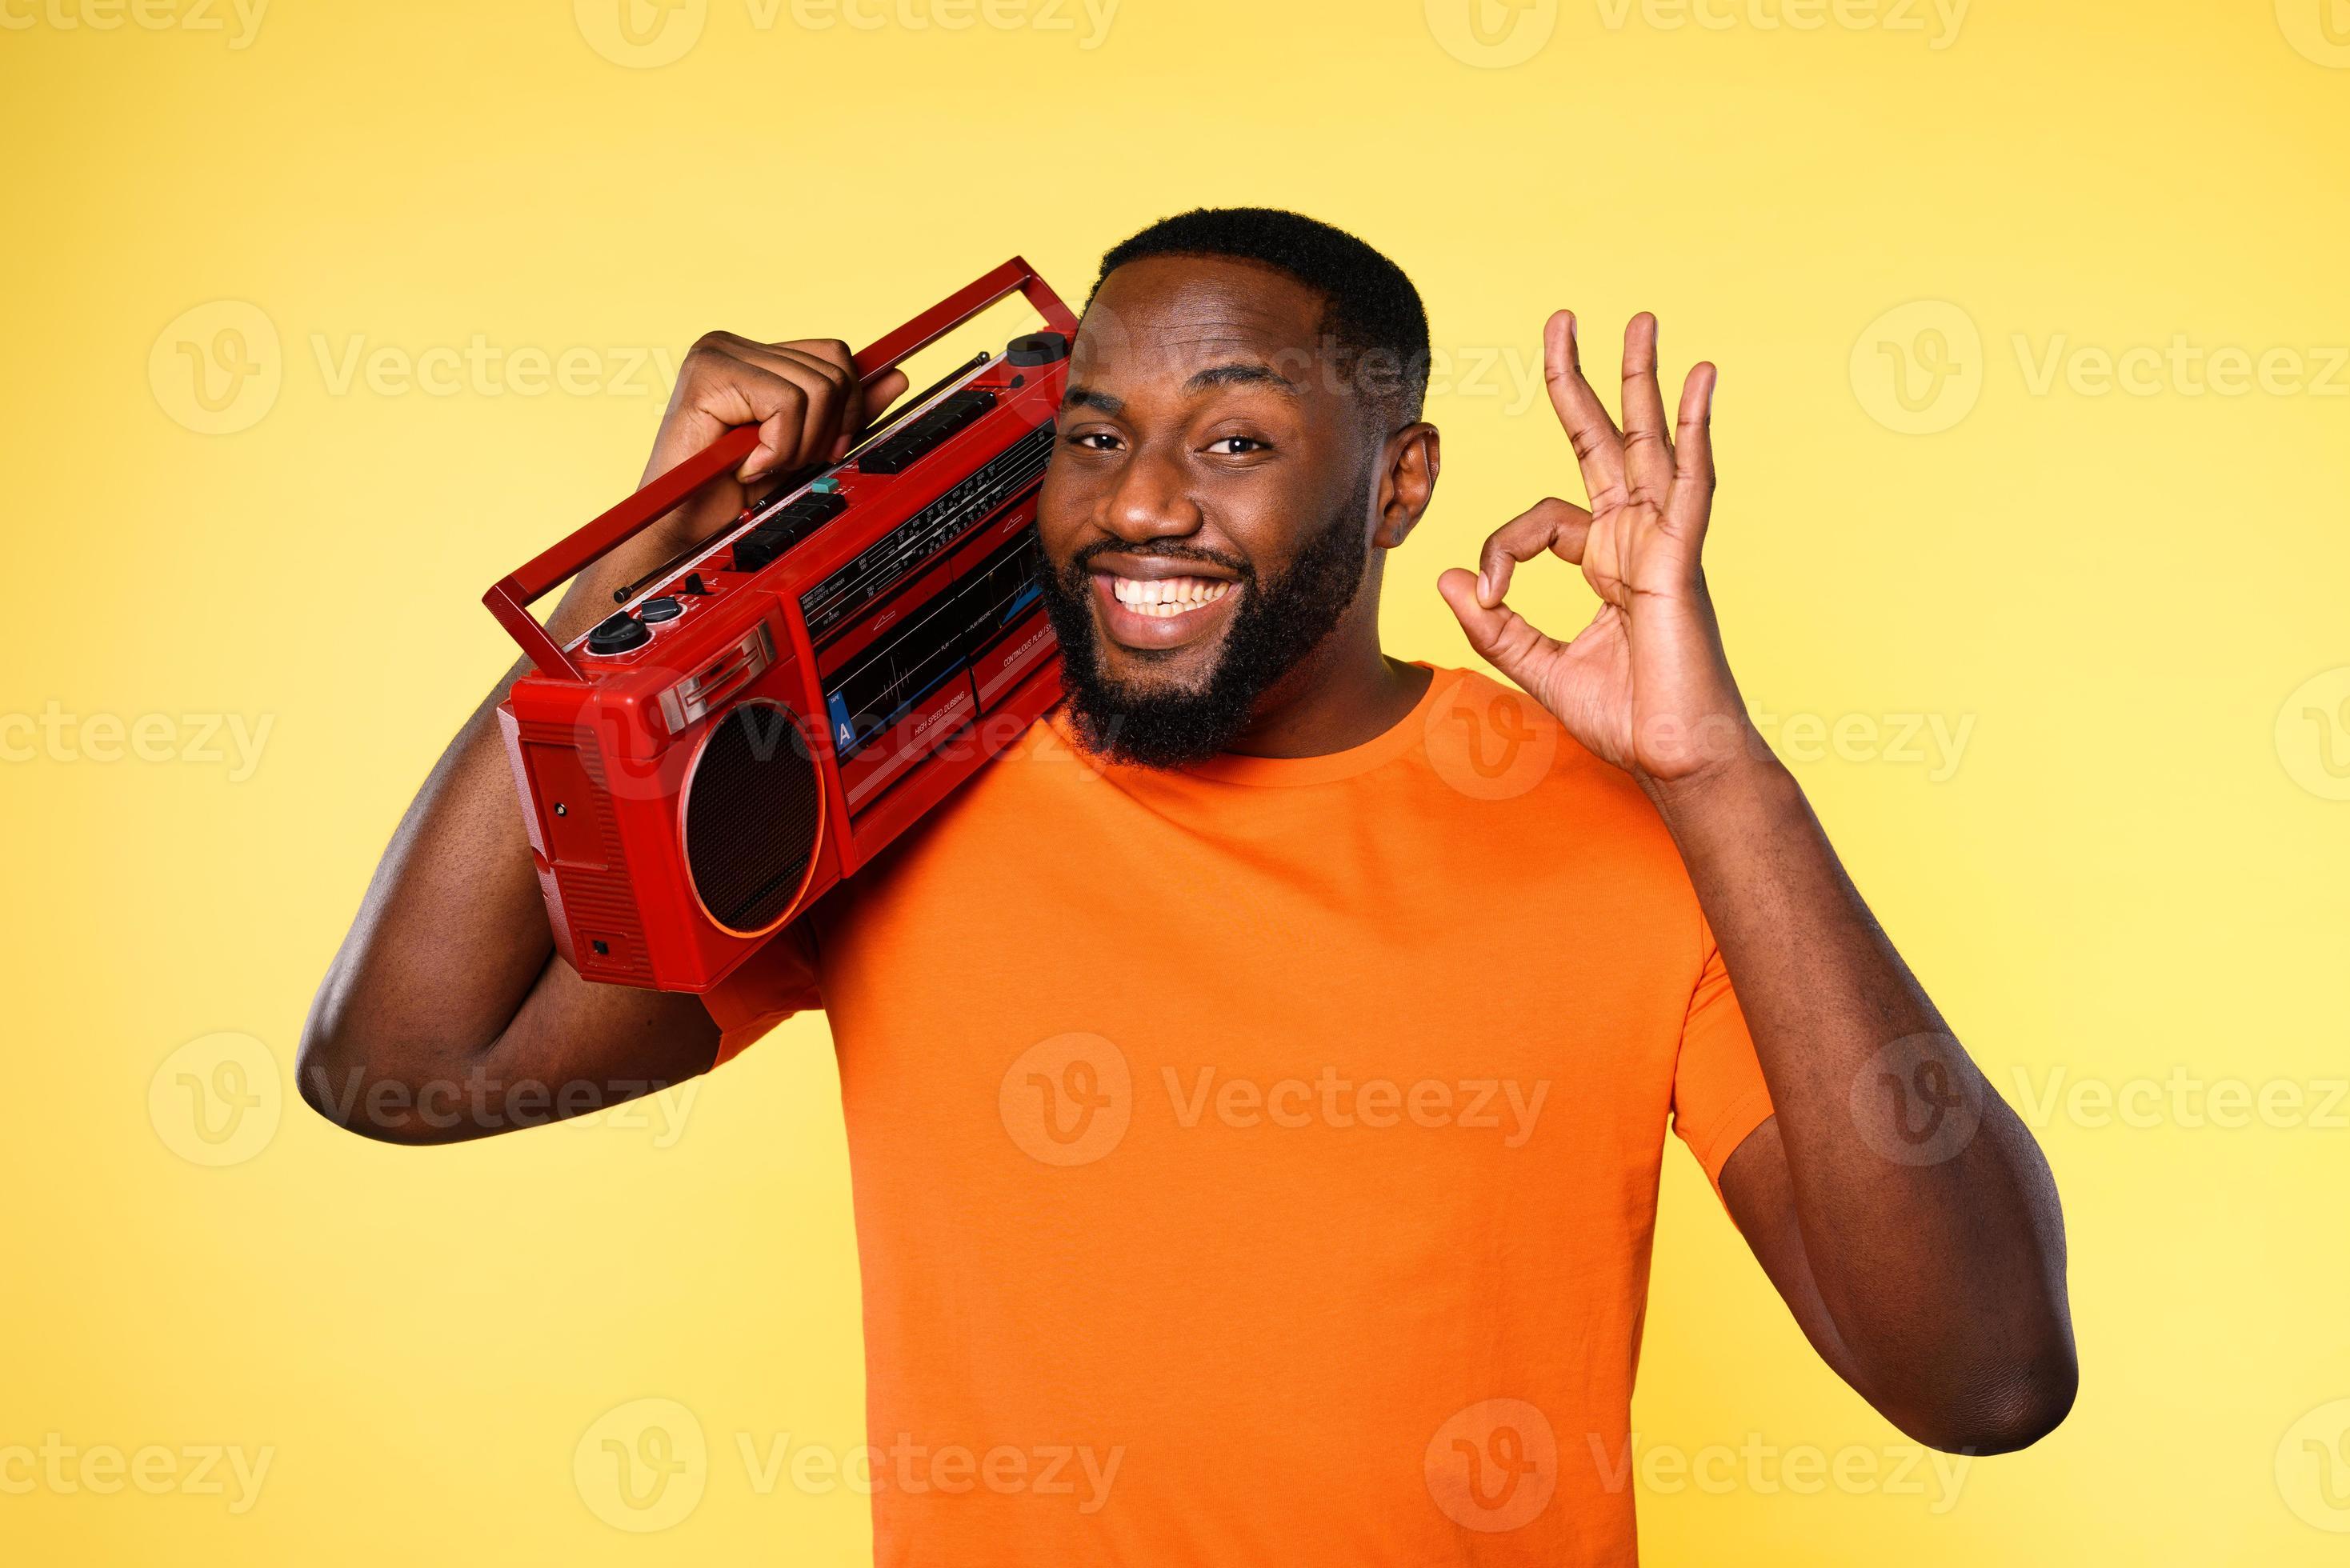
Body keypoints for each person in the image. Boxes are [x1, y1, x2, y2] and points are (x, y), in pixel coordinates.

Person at [301, 207, 2075, 1564]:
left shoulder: (1634, 841)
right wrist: (659, 551)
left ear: (1398, 489)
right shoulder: (908, 783)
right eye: (1091, 435)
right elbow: (406, 1059)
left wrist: (1713, 776)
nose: (1135, 503)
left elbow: (1980, 1376)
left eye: (1230, 440)